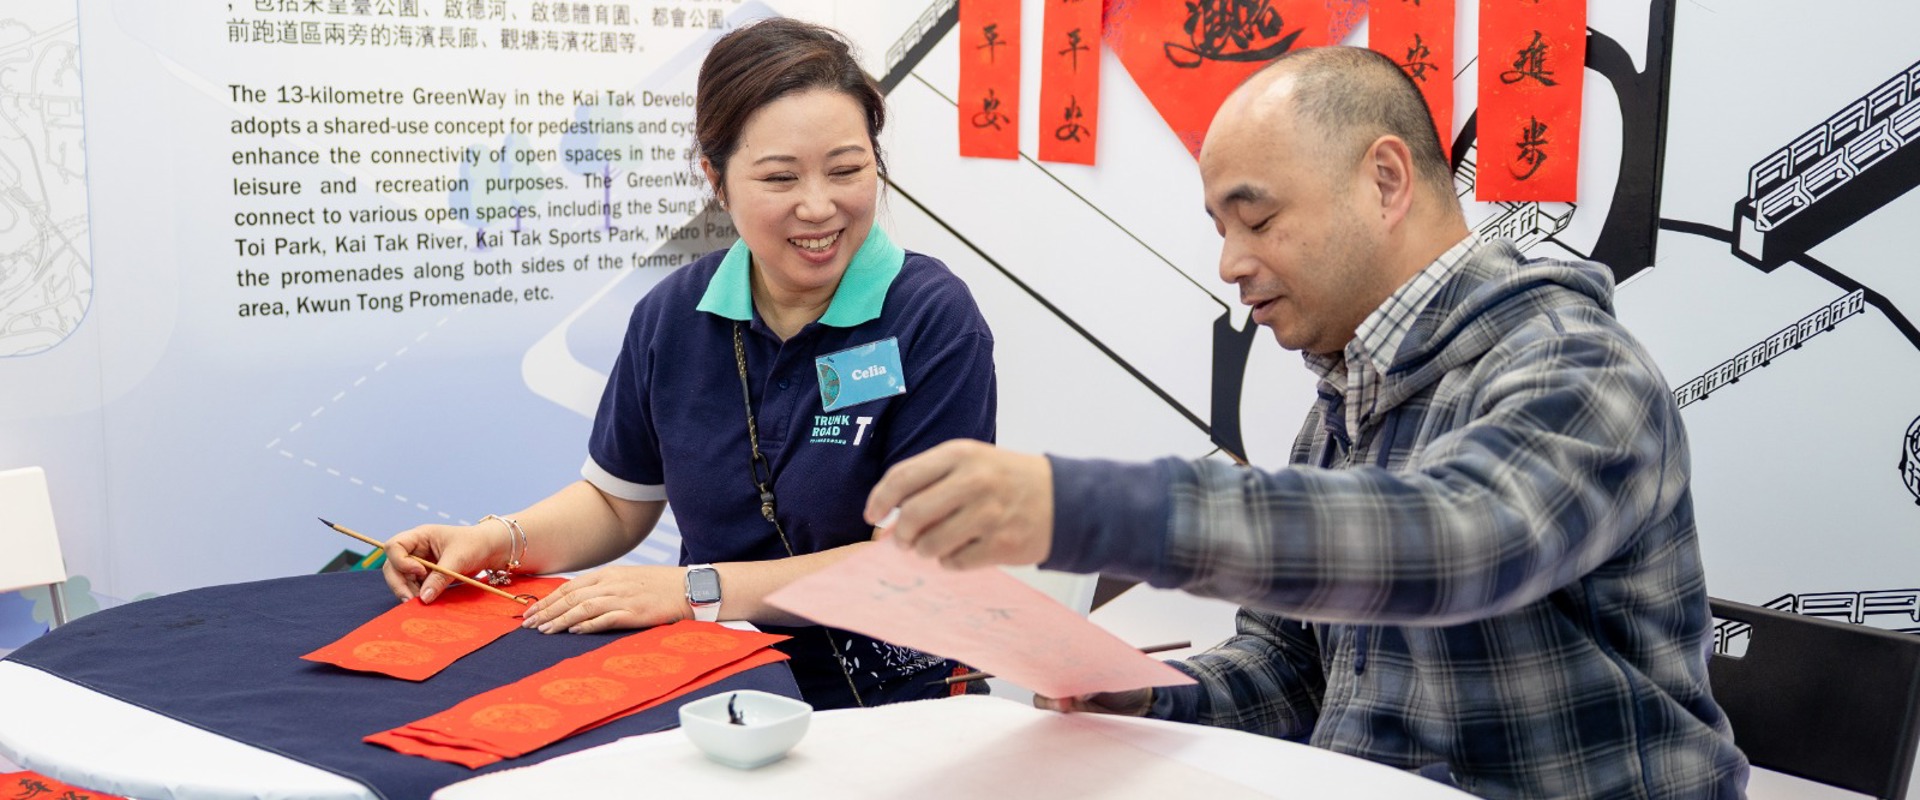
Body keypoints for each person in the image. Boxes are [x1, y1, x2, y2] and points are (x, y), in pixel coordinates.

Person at [866, 46, 1747, 797]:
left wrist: (1084, 508)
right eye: (1220, 227)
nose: (1230, 263)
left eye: (1258, 219)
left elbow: (1457, 543)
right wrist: (1143, 692)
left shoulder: (1577, 366)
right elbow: (1294, 669)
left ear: (1387, 181)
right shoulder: (1344, 403)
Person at [382, 17, 997, 710]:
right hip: (711, 682)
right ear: (716, 179)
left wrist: (692, 589)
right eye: (780, 177)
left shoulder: (931, 317)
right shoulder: (674, 314)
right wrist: (492, 542)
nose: (819, 206)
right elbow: (618, 502)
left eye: (848, 170)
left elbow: (907, 567)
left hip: (887, 698)